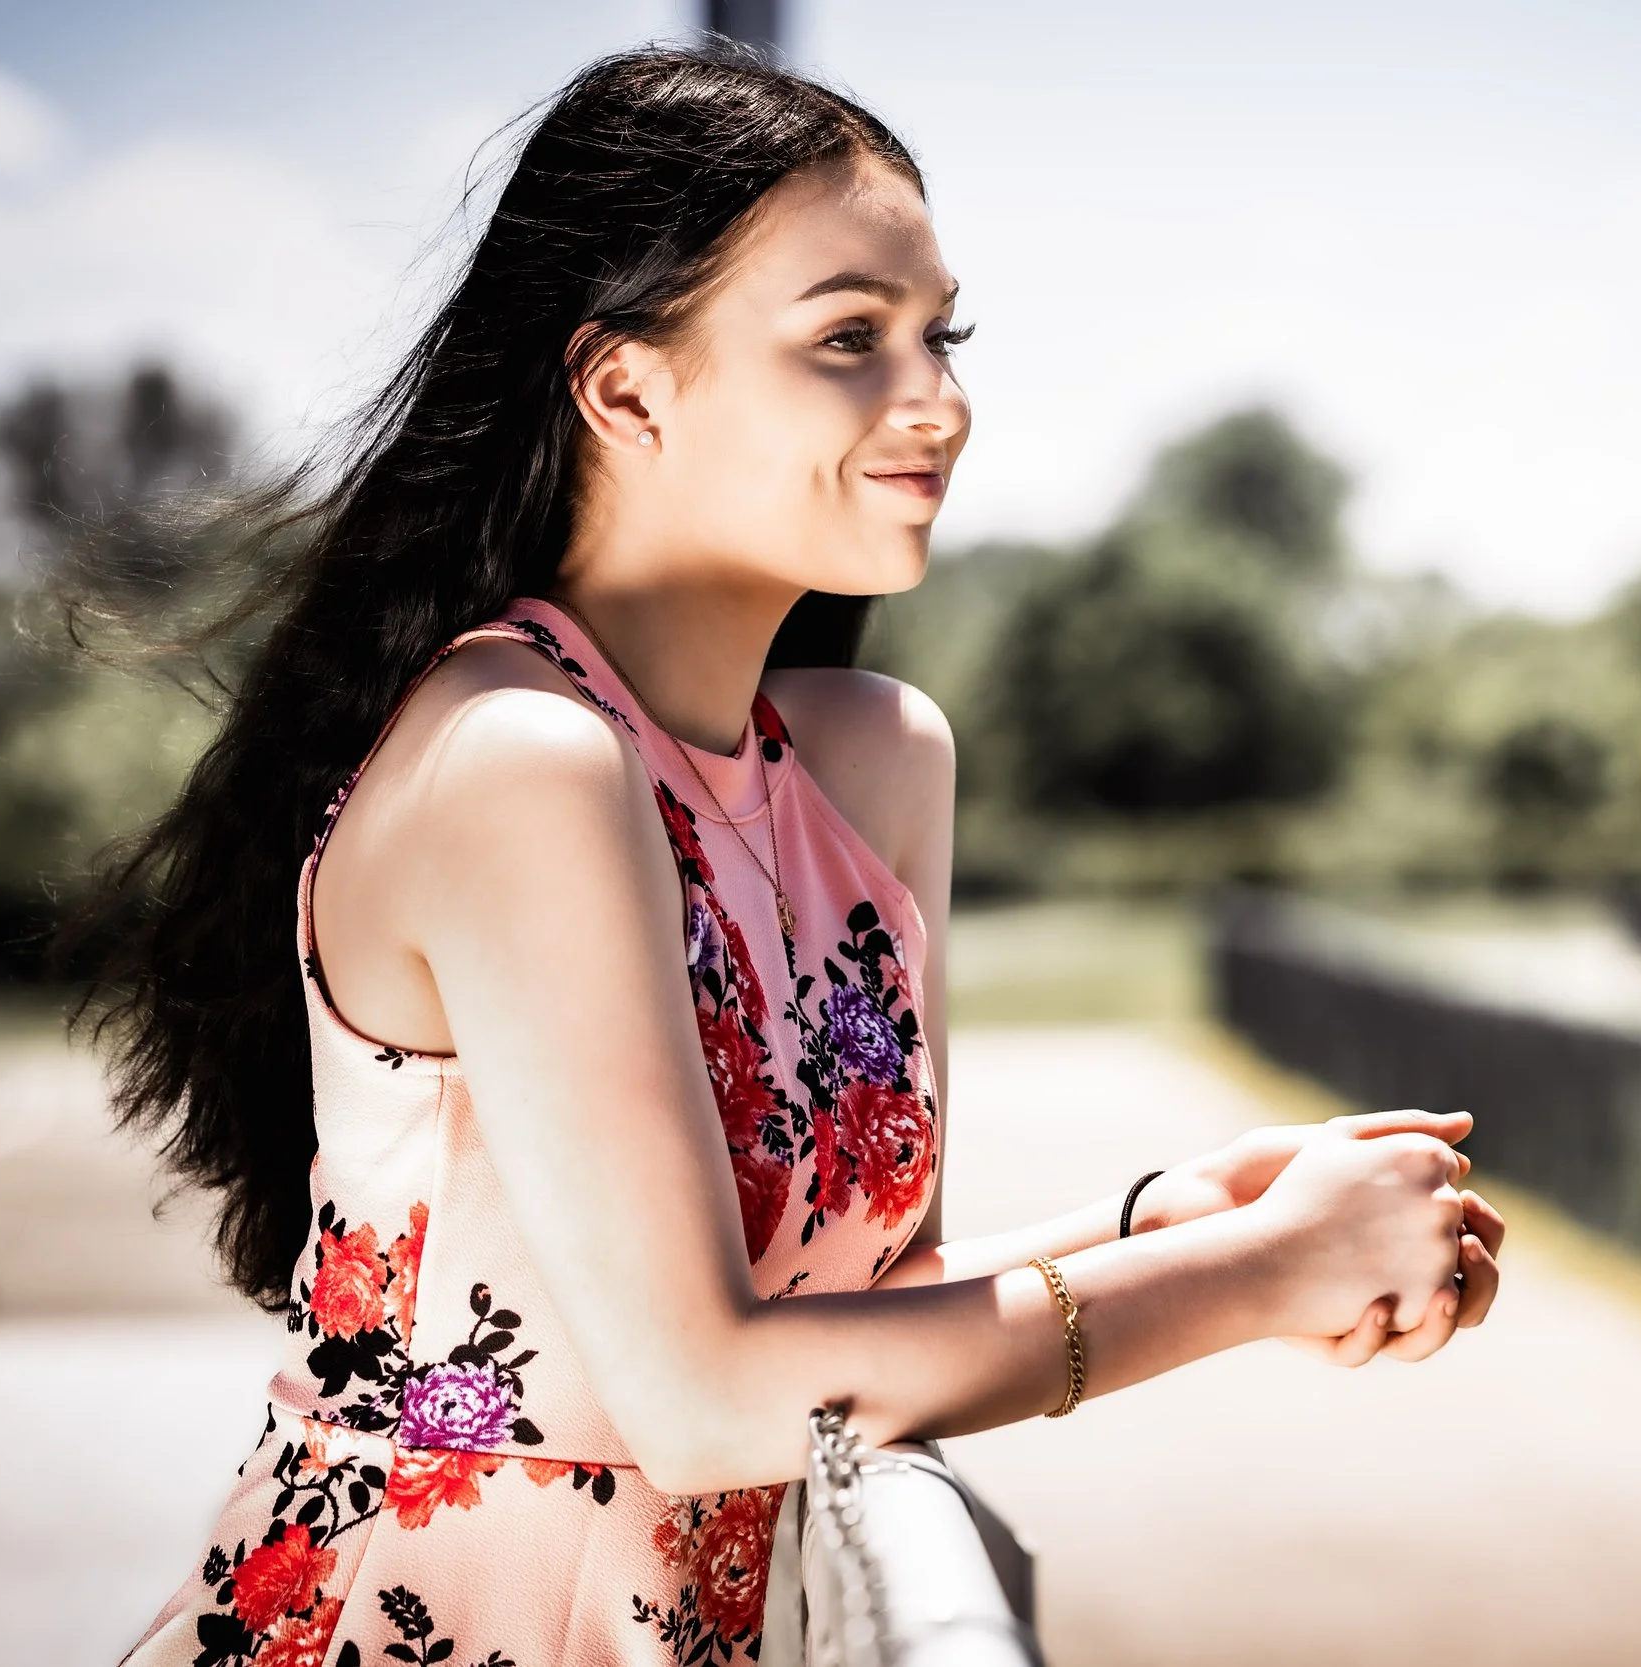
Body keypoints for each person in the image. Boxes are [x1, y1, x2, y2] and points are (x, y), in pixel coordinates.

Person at [101, 43, 1504, 1667]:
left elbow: (856, 1312)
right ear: (626, 390)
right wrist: (1261, 1274)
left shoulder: (867, 760)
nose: (939, 404)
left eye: (940, 336)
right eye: (850, 338)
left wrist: (1169, 1220)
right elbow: (705, 1396)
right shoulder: (519, 758)